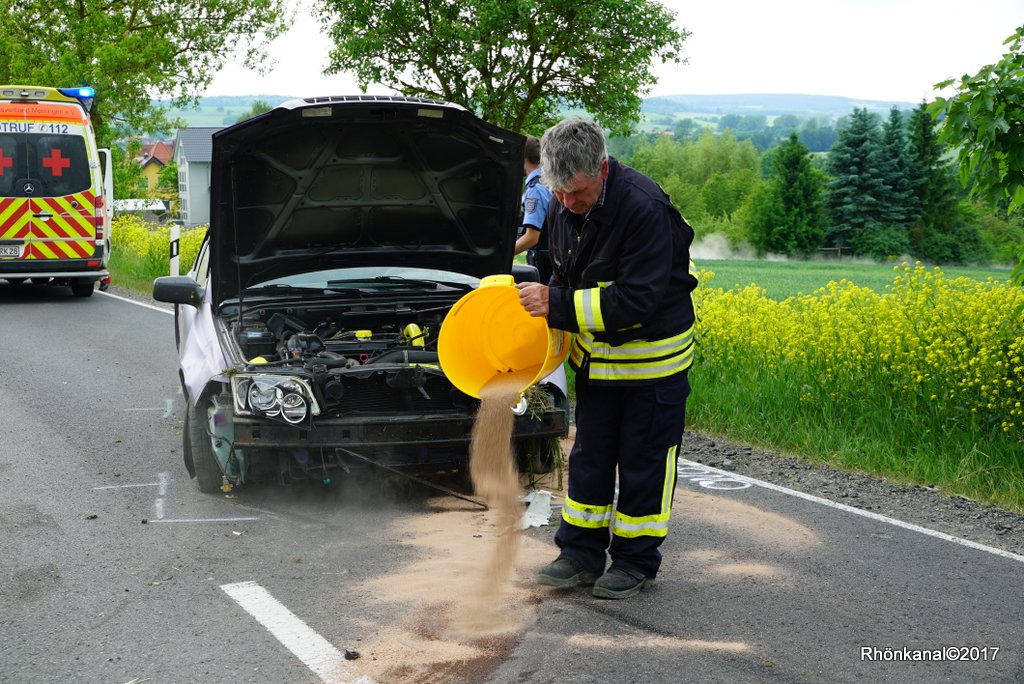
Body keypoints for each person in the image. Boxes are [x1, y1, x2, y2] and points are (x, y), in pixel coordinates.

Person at [517, 117, 697, 599]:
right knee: (591, 458)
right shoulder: (561, 202)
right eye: (558, 192)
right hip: (597, 365)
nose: (566, 204)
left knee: (643, 464)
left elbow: (637, 299)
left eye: (576, 193)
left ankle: (636, 561)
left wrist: (555, 304)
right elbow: (557, 271)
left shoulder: (644, 209)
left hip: (652, 367)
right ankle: (579, 553)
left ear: (602, 168)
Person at [513, 136, 554, 284]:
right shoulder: (549, 182)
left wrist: (502, 257)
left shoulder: (535, 189)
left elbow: (532, 237)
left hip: (543, 265)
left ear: (522, 157)